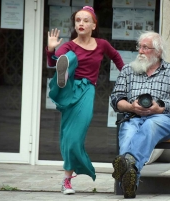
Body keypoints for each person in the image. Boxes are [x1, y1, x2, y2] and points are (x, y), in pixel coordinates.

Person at [46, 6, 124, 195]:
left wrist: (127, 76)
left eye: (85, 20)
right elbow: (52, 63)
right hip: (69, 89)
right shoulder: (69, 45)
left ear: (94, 25)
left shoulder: (102, 44)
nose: (81, 23)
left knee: (74, 138)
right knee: (67, 56)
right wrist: (50, 50)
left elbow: (116, 57)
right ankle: (67, 181)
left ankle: (68, 177)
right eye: (78, 20)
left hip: (87, 90)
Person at [110, 31, 170, 199]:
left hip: (162, 119)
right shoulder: (128, 70)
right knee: (128, 133)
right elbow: (115, 99)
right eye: (139, 47)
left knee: (150, 125)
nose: (140, 51)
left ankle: (126, 164)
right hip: (133, 117)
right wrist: (131, 106)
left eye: (145, 47)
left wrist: (160, 108)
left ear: (158, 52)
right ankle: (130, 183)